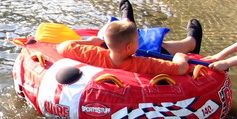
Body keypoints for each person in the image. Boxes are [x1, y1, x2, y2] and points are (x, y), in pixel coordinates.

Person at [57, 19, 190, 76]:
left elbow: (63, 46)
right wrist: (180, 57)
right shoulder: (143, 64)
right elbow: (182, 68)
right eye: (137, 41)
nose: (139, 44)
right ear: (129, 47)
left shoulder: (93, 54)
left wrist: (91, 42)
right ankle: (191, 42)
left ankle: (126, 18)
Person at [97, 0, 203, 55]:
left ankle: (126, 24)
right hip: (139, 56)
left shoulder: (101, 57)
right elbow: (177, 67)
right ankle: (191, 44)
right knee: (151, 47)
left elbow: (86, 47)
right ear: (129, 47)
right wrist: (181, 59)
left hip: (115, 54)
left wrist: (88, 42)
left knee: (105, 42)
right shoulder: (145, 63)